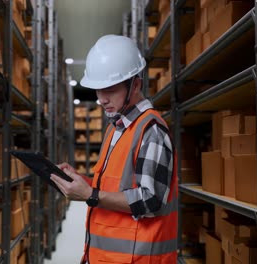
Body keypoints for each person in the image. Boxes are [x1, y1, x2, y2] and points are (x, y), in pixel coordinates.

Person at [51, 34, 178, 264]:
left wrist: (91, 195)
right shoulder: (116, 128)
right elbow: (114, 186)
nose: (101, 99)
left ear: (136, 84)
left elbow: (151, 200)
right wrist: (81, 182)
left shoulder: (151, 131)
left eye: (109, 90)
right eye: (98, 90)